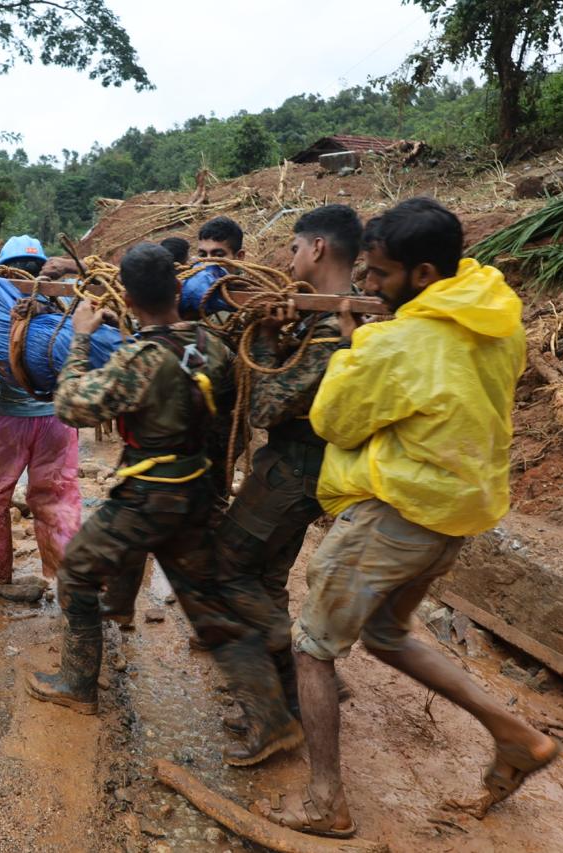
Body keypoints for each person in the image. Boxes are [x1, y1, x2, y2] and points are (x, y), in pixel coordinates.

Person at [255, 197, 557, 838]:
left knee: (311, 649)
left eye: (381, 275)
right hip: (454, 513)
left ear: (422, 275)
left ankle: (324, 802)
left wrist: (351, 348)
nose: (368, 286)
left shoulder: (398, 342)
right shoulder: (496, 316)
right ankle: (516, 734)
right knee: (388, 633)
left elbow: (332, 420)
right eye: (363, 273)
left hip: (393, 513)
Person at [26, 243, 297, 745]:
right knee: (208, 609)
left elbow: (70, 405)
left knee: (78, 572)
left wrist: (82, 340)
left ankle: (77, 683)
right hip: (193, 492)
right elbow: (226, 422)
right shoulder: (212, 345)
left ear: (126, 299)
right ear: (177, 288)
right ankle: (273, 720)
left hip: (148, 496)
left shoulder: (139, 359)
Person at [205, 205, 362, 762]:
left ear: (318, 249)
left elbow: (269, 406)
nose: (288, 259)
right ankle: (296, 692)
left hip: (294, 469)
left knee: (227, 567)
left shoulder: (327, 333)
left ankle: (279, 710)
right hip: (310, 471)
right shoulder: (344, 316)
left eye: (294, 248)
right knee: (267, 574)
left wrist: (267, 338)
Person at [0, 235, 82, 591]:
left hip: (6, 421)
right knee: (58, 498)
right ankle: (71, 582)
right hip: (57, 422)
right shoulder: (65, 301)